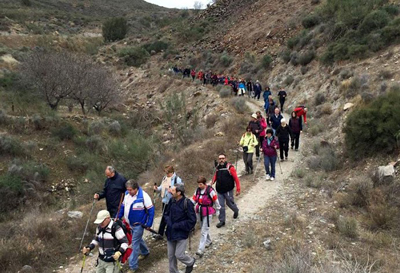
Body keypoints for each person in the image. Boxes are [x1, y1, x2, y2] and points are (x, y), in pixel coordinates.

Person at [118, 180, 154, 273]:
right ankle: (145, 252)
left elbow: (151, 211)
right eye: (127, 190)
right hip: (130, 224)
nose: (128, 192)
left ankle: (133, 266)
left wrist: (149, 224)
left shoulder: (144, 197)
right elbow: (122, 207)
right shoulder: (126, 195)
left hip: (139, 225)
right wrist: (118, 217)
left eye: (130, 190)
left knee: (134, 244)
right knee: (137, 239)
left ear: (136, 189)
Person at [164, 184, 197, 273]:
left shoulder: (187, 203)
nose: (171, 191)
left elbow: (192, 220)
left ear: (179, 193)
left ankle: (190, 262)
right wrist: (169, 223)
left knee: (179, 255)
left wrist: (177, 225)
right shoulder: (171, 200)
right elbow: (166, 214)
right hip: (170, 233)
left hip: (181, 234)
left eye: (173, 190)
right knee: (171, 257)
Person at [192, 176, 220, 257]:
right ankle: (209, 241)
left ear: (204, 183)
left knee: (203, 231)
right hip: (199, 212)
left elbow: (215, 200)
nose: (199, 186)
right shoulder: (197, 190)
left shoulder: (210, 190)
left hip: (208, 212)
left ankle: (200, 249)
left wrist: (218, 210)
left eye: (200, 184)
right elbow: (194, 200)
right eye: (198, 184)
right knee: (203, 228)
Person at [153, 165, 183, 239]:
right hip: (165, 201)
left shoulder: (177, 179)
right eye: (166, 173)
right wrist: (157, 189)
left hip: (173, 201)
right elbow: (161, 187)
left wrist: (171, 190)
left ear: (172, 172)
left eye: (168, 173)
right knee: (164, 216)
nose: (167, 175)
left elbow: (181, 189)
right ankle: (161, 233)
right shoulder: (165, 178)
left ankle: (174, 231)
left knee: (173, 217)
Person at [212, 153, 241, 228]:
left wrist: (238, 189)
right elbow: (216, 175)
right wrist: (212, 181)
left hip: (228, 189)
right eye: (220, 158)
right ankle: (222, 221)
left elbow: (236, 178)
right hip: (219, 190)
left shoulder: (230, 167)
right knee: (220, 206)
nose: (221, 160)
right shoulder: (218, 167)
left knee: (230, 203)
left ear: (225, 159)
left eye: (223, 158)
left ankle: (236, 210)